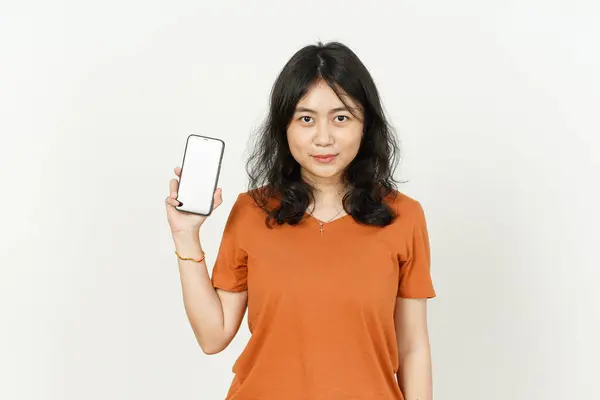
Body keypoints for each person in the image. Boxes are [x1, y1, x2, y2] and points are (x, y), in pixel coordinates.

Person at [165, 41, 436, 400]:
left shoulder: (403, 216)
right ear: (284, 127)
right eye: (305, 118)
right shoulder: (252, 210)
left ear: (365, 124)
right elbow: (213, 336)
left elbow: (413, 349)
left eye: (341, 118)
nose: (323, 138)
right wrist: (186, 236)